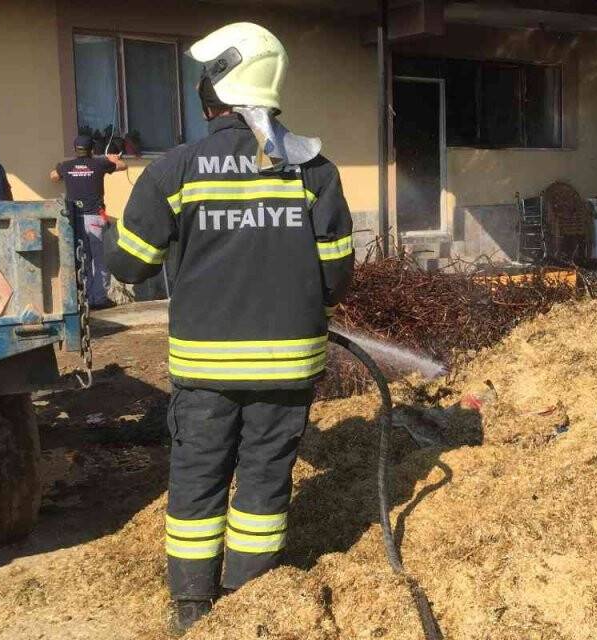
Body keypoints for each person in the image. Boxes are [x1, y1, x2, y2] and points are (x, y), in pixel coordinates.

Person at [106, 22, 353, 636]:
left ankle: (193, 608)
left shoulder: (175, 170)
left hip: (206, 367)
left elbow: (129, 265)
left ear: (210, 94)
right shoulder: (314, 171)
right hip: (288, 365)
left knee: (197, 478)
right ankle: (251, 601)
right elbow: (335, 276)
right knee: (266, 479)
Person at [52, 136, 126, 309]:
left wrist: (65, 172)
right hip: (95, 218)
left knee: (81, 259)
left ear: (75, 150)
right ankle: (98, 299)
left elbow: (53, 176)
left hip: (74, 219)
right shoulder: (99, 164)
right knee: (100, 259)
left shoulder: (66, 166)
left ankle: (83, 297)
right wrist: (111, 159)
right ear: (92, 150)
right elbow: (123, 166)